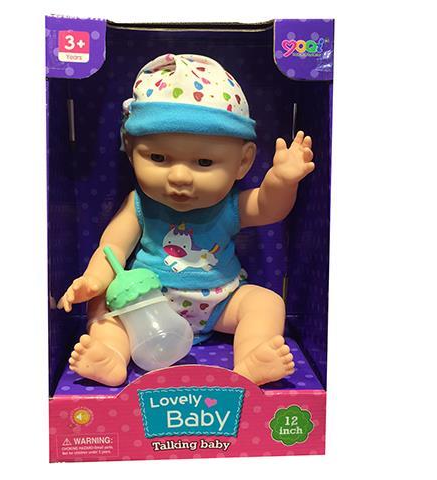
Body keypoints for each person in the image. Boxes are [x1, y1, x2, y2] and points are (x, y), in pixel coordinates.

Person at [57, 53, 314, 386]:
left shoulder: (229, 206)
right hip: (144, 306)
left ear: (243, 162)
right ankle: (110, 355)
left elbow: (268, 207)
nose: (179, 176)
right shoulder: (139, 205)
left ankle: (253, 355)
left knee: (266, 303)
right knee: (102, 312)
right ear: (130, 150)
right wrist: (93, 280)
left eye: (204, 162)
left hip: (221, 303)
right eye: (158, 157)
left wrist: (282, 180)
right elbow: (112, 249)